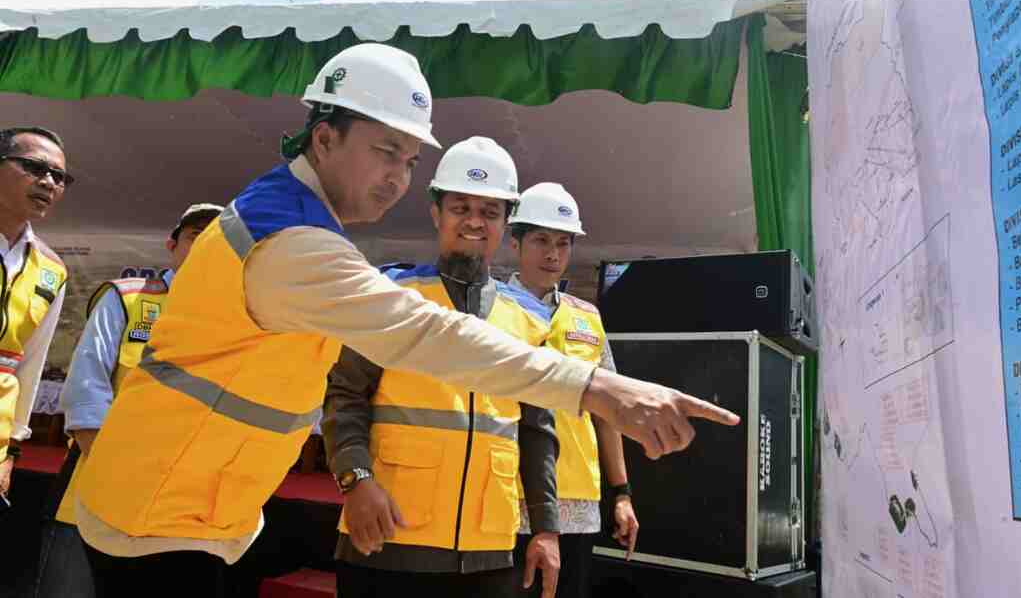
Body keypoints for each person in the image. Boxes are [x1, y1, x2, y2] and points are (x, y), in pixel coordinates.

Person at [72, 43, 739, 594]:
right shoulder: (294, 245)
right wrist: (600, 387)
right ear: (325, 137)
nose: (397, 177)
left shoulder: (290, 216)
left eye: (410, 160)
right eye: (385, 151)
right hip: (162, 513)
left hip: (196, 505)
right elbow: (419, 340)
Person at [324, 137, 562, 598]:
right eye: (461, 207)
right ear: (436, 214)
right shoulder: (390, 299)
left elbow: (537, 430)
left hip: (489, 552)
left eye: (490, 211)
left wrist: (546, 527)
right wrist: (355, 480)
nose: (474, 221)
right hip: (388, 539)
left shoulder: (529, 322)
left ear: (505, 223)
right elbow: (344, 397)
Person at [34, 203, 222, 598]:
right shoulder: (130, 298)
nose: (206, 244)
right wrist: (112, 474)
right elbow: (88, 384)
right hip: (96, 484)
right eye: (195, 236)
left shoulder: (232, 319)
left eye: (219, 237)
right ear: (172, 244)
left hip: (177, 507)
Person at [509, 183, 638, 598]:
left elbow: (608, 413)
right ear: (516, 242)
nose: (553, 254)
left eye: (563, 244)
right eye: (541, 240)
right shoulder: (491, 309)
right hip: (507, 502)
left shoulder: (588, 318)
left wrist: (621, 493)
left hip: (579, 505)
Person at [0, 126, 72, 503]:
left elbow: (29, 364)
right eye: (34, 167)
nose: (49, 182)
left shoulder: (52, 269)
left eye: (59, 177)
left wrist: (10, 451)